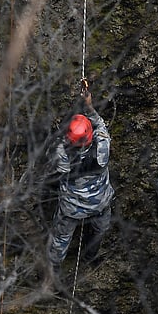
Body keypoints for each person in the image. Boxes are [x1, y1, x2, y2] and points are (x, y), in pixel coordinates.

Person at [47, 86, 115, 277]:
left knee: (60, 238)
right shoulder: (102, 150)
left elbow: (55, 144)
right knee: (99, 231)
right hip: (99, 203)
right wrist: (88, 106)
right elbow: (100, 125)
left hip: (71, 209)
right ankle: (89, 257)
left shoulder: (62, 156)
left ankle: (53, 273)